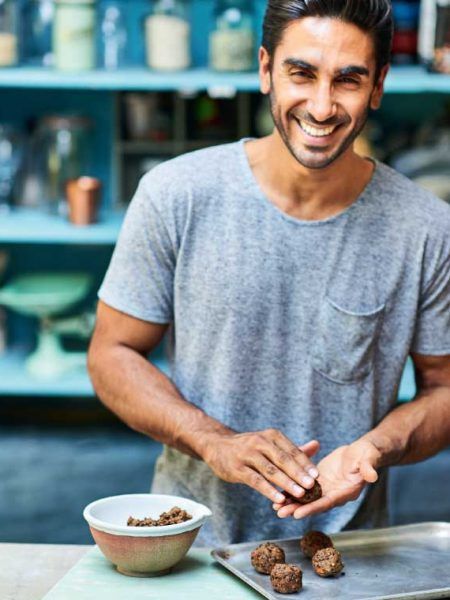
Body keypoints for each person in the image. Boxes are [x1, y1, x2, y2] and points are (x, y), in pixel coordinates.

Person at [88, 0, 450, 547]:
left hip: (347, 554)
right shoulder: (176, 194)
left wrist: (375, 448)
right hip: (189, 543)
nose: (322, 106)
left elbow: (443, 390)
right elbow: (111, 354)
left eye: (348, 81)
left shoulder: (426, 227)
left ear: (378, 87)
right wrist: (214, 441)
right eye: (301, 74)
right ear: (265, 70)